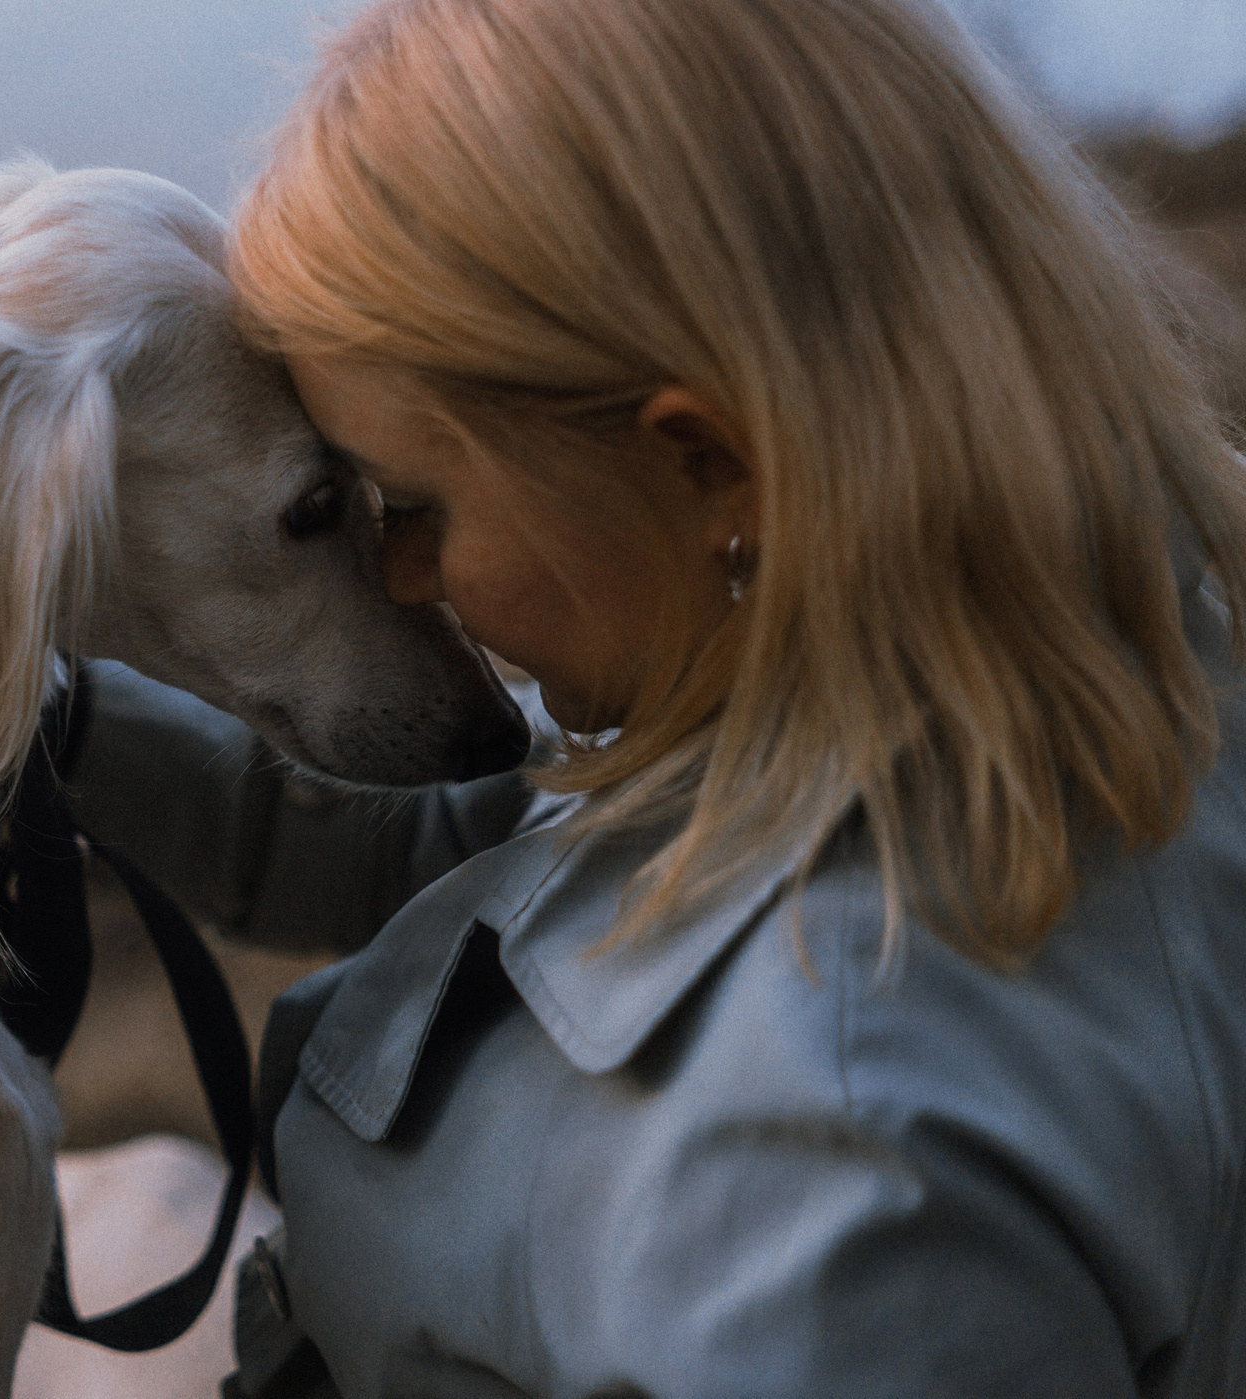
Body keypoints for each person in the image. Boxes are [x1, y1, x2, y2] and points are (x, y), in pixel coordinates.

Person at [63, 0, 1246, 1393]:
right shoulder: (953, 633)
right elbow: (487, 846)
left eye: (418, 504)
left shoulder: (839, 1186)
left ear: (708, 464)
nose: (399, 574)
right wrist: (42, 714)